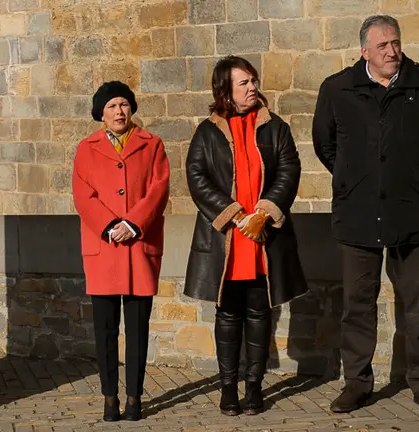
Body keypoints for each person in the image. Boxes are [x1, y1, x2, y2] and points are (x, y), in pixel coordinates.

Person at [312, 15, 419, 413]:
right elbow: (325, 146)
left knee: (418, 305)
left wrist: (416, 180)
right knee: (357, 307)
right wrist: (354, 183)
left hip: (413, 215)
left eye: (395, 42)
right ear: (364, 51)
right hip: (357, 216)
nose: (392, 51)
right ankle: (357, 384)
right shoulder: (337, 89)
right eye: (382, 46)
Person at [183, 56, 309, 416]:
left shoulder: (276, 127)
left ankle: (253, 387)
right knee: (228, 314)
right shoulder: (207, 132)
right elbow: (196, 177)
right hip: (227, 239)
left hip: (265, 238)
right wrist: (236, 215)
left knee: (259, 312)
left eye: (253, 81)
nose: (253, 87)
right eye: (244, 83)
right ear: (225, 91)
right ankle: (228, 388)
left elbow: (289, 169)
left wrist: (264, 213)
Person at [72, 81, 170, 422]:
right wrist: (109, 224)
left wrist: (133, 223)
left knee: (138, 330)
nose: (119, 111)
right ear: (101, 112)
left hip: (139, 246)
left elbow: (159, 190)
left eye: (124, 105)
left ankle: (134, 398)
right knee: (106, 330)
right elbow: (82, 194)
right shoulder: (86, 148)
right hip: (104, 248)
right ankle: (109, 398)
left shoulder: (153, 145)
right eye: (112, 105)